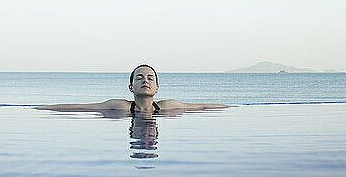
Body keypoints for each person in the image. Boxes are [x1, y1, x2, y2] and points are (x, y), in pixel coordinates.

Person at [35, 64, 229, 113]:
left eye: (150, 78)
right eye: (140, 77)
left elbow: (201, 107)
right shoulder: (120, 106)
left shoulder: (168, 106)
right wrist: (42, 108)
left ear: (157, 87)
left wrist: (234, 107)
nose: (145, 80)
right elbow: (81, 107)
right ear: (131, 87)